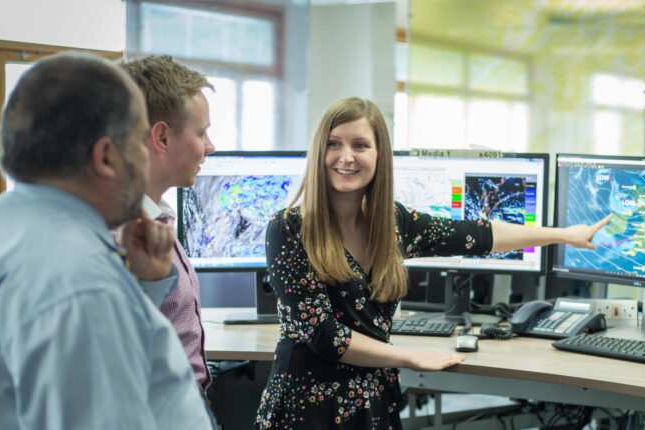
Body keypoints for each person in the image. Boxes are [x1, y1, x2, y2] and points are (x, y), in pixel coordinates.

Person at [254, 97, 611, 429]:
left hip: (373, 401)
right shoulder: (289, 227)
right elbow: (323, 334)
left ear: (379, 154)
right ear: (319, 151)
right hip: (307, 407)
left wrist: (562, 234)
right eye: (334, 144)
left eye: (360, 145)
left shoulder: (391, 223)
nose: (346, 157)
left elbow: (477, 234)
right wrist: (407, 357)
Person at [0, 52, 213, 429]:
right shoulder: (83, 282)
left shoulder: (8, 226)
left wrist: (145, 287)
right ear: (107, 156)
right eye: (136, 144)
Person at [119, 55, 216, 393]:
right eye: (201, 133)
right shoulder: (120, 234)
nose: (210, 147)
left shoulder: (154, 216)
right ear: (161, 137)